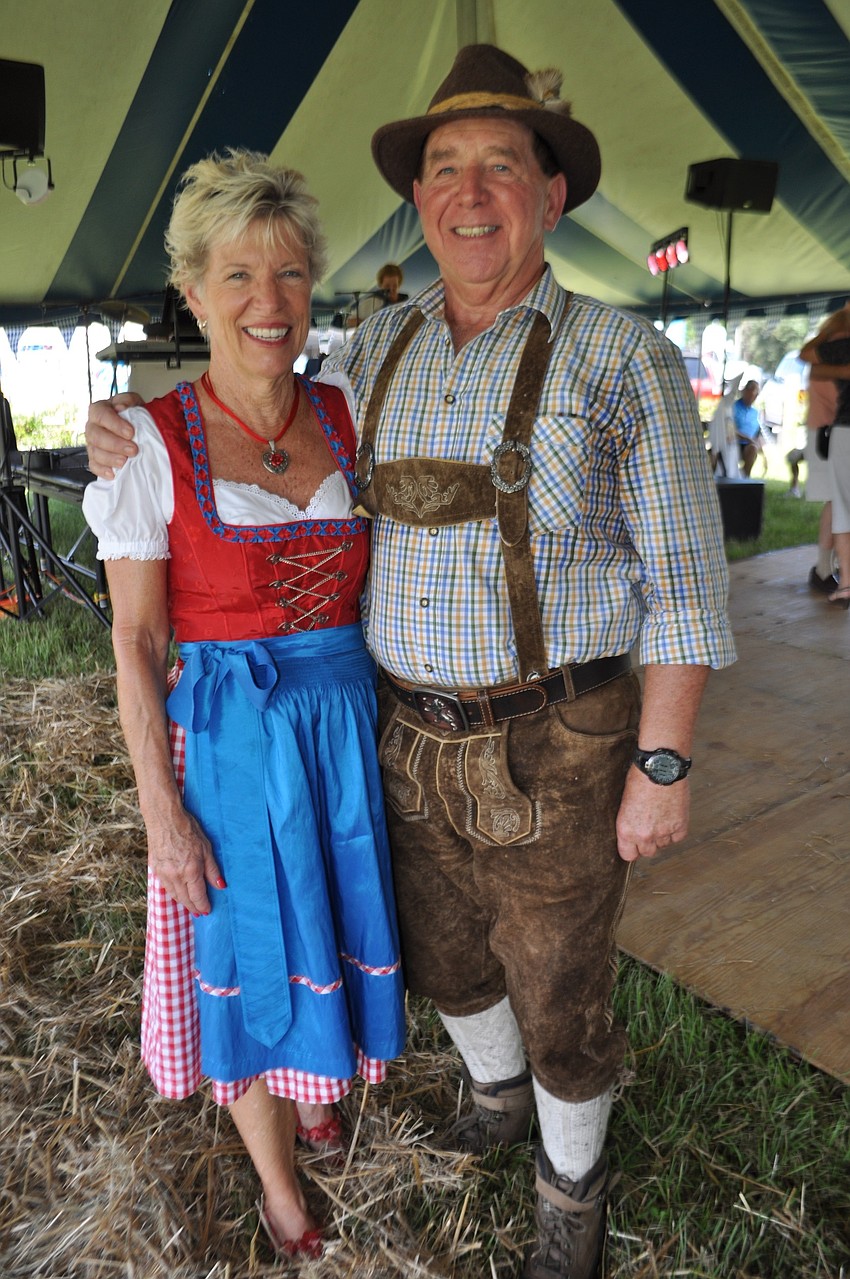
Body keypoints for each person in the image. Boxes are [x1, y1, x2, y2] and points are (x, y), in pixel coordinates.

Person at [85, 46, 735, 1279]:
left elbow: (689, 589)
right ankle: (493, 1099)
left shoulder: (623, 357)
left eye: (501, 165)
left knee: (558, 981)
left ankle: (571, 1184)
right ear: (419, 200)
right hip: (393, 733)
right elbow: (240, 406)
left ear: (552, 194)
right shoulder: (369, 355)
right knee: (439, 952)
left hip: (559, 735)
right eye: (444, 168)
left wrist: (662, 762)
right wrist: (119, 423)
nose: (469, 194)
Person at [82, 149, 405, 1261]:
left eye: (290, 273)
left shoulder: (350, 409)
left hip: (343, 736)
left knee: (333, 917)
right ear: (192, 290)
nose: (269, 301)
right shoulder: (147, 446)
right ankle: (279, 1186)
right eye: (237, 275)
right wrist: (161, 815)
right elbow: (135, 642)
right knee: (249, 944)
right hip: (230, 738)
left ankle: (320, 1084)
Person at [800, 303, 850, 608]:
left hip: (831, 432)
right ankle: (824, 568)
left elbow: (809, 357)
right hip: (828, 433)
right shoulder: (837, 348)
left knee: (838, 502)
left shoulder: (832, 348)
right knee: (837, 501)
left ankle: (827, 568)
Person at [347, 262, 408, 326]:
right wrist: (371, 325)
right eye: (387, 286)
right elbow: (349, 321)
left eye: (395, 286)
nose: (391, 289)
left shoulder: (406, 303)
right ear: (381, 286)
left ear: (399, 284)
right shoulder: (373, 301)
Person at [733, 379, 764, 476]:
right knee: (752, 447)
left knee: (753, 448)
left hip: (748, 446)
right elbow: (729, 429)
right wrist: (747, 438)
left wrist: (763, 453)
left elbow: (758, 434)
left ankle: (745, 477)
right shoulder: (734, 407)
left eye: (756, 393)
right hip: (734, 443)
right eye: (753, 392)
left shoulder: (755, 412)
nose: (755, 396)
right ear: (745, 391)